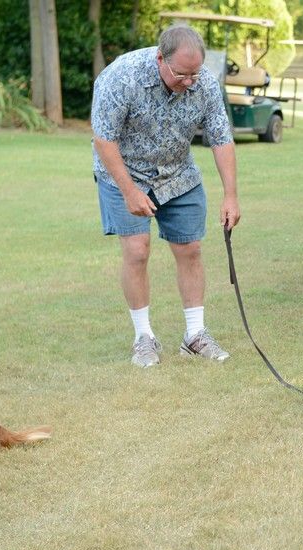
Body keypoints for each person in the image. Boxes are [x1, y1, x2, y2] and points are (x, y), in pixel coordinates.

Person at [91, 25, 240, 367]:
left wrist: (230, 195)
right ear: (161, 58)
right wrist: (129, 191)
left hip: (178, 174)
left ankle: (195, 335)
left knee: (191, 248)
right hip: (123, 173)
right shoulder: (122, 77)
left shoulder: (204, 83)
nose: (189, 81)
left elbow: (221, 138)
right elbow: (104, 140)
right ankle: (143, 338)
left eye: (194, 73)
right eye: (181, 74)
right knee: (137, 251)